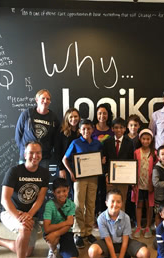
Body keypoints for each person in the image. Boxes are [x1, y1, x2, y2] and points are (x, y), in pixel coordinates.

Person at [0, 141, 49, 257]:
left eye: (38, 153)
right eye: (31, 153)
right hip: (10, 212)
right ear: (25, 155)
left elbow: (40, 199)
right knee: (24, 227)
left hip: (30, 215)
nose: (35, 156)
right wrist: (19, 217)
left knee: (27, 252)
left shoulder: (44, 173)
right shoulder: (14, 171)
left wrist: (29, 214)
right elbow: (4, 200)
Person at [62, 119, 103, 249]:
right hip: (79, 178)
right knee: (79, 205)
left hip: (93, 177)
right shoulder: (76, 142)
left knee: (91, 204)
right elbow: (65, 159)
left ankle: (88, 231)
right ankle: (79, 233)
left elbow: (100, 158)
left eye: (89, 129)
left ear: (92, 130)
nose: (86, 131)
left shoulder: (97, 144)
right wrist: (71, 173)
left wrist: (102, 161)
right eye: (84, 129)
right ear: (80, 130)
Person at [88, 189, 150, 258]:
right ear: (106, 203)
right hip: (107, 243)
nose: (115, 204)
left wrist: (121, 256)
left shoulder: (126, 217)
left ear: (122, 203)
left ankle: (126, 255)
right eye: (112, 201)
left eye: (118, 202)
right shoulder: (101, 218)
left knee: (145, 253)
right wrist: (114, 256)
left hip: (124, 243)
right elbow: (108, 240)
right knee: (92, 251)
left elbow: (125, 240)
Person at [15, 89, 60, 168]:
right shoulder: (27, 113)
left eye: (48, 99)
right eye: (43, 98)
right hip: (26, 156)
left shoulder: (53, 117)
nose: (45, 101)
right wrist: (24, 150)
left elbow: (56, 138)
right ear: (37, 100)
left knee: (42, 179)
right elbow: (18, 134)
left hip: (43, 157)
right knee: (22, 179)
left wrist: (47, 149)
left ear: (50, 102)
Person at [103, 117, 134, 211]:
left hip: (123, 178)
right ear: (112, 129)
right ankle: (110, 222)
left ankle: (121, 223)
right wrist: (106, 175)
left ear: (125, 129)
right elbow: (104, 161)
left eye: (121, 127)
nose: (119, 130)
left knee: (122, 200)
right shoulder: (107, 142)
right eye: (116, 127)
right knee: (110, 200)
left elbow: (131, 161)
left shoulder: (129, 143)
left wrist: (129, 177)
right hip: (110, 178)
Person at [131, 128, 157, 239]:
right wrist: (133, 183)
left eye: (148, 139)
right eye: (144, 139)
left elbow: (156, 169)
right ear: (140, 139)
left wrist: (153, 183)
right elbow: (132, 167)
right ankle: (138, 226)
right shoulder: (136, 152)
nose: (146, 141)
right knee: (139, 205)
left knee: (149, 205)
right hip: (139, 184)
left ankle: (147, 227)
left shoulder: (154, 153)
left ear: (151, 140)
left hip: (150, 184)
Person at [43, 178, 78, 258]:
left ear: (68, 189)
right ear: (54, 192)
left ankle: (63, 246)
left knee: (72, 256)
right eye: (58, 192)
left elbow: (69, 226)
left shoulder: (71, 205)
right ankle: (53, 249)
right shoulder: (49, 205)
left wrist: (56, 233)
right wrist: (66, 223)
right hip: (51, 231)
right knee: (52, 239)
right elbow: (47, 228)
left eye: (64, 191)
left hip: (65, 232)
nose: (62, 194)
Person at [92, 103, 114, 217]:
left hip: (106, 166)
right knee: (94, 192)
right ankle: (95, 214)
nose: (102, 116)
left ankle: (103, 214)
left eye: (104, 113)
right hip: (92, 167)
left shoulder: (112, 131)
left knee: (104, 191)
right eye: (99, 113)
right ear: (96, 115)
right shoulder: (91, 129)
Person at [57, 108, 80, 200]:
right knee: (66, 191)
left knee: (77, 191)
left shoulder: (82, 131)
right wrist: (61, 168)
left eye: (76, 116)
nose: (73, 119)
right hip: (66, 165)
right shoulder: (61, 132)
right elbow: (58, 151)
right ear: (66, 118)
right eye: (71, 117)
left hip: (79, 165)